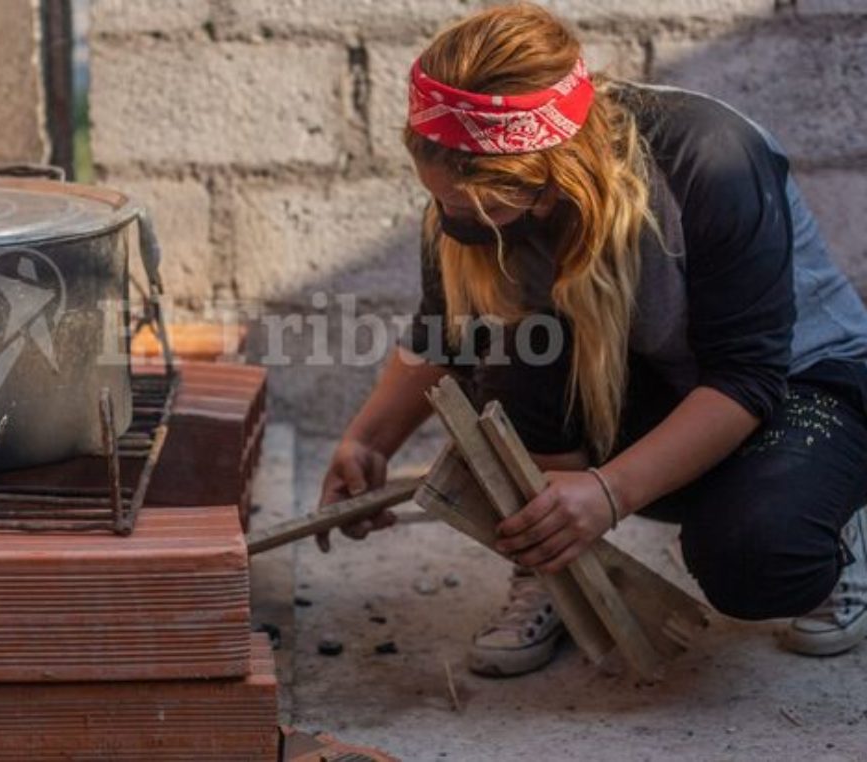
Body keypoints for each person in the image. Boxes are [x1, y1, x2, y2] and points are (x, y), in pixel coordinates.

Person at [318, 3, 867, 676]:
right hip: (660, 385)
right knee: (517, 338)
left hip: (794, 385)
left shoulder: (709, 162)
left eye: (475, 207)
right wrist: (366, 442)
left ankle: (830, 519)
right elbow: (446, 333)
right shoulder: (468, 205)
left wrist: (610, 492)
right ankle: (554, 562)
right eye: (444, 205)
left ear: (552, 172)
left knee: (755, 555)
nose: (453, 221)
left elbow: (747, 376)